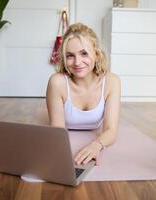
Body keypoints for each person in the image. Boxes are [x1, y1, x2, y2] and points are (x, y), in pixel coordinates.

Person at [46, 23, 121, 165]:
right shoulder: (57, 82)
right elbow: (57, 130)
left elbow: (111, 129)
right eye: (70, 56)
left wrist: (96, 145)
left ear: (97, 54)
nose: (77, 62)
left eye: (84, 53)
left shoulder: (112, 81)